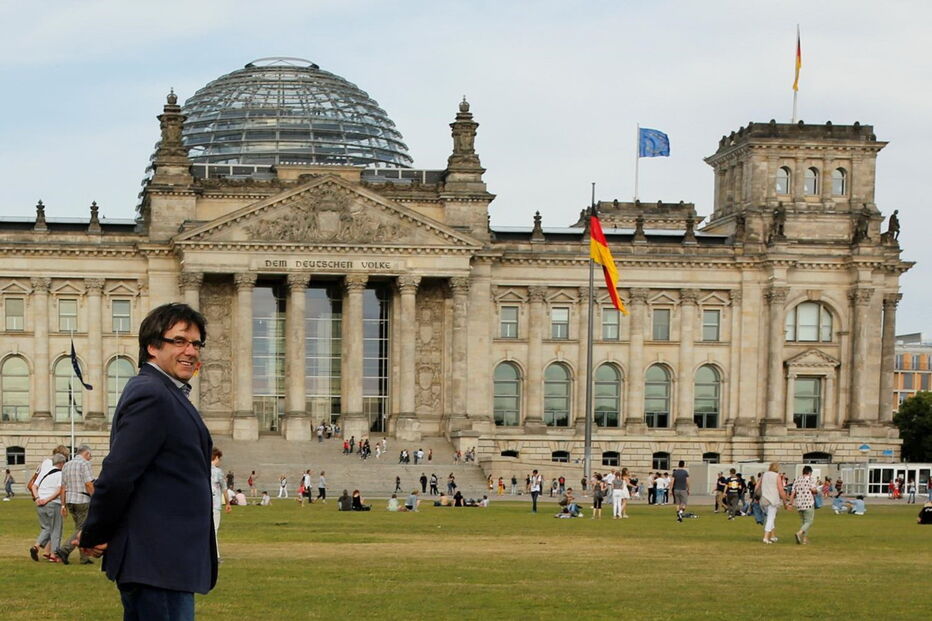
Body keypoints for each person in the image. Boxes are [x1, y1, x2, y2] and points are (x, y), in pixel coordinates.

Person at [79, 302, 217, 619]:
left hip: (165, 562)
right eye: (179, 341)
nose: (191, 351)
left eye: (196, 343)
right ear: (152, 346)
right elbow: (118, 475)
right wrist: (95, 533)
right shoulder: (152, 394)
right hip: (156, 562)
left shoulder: (168, 393)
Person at [55, 444, 96, 564]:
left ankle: (84, 558)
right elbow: (88, 484)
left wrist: (63, 505)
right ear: (86, 453)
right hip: (82, 499)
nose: (90, 458)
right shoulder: (85, 464)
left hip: (70, 500)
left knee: (80, 528)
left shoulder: (67, 465)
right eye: (90, 455)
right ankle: (64, 550)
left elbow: (63, 487)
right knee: (82, 529)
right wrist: (95, 498)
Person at [30, 452, 66, 563]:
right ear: (61, 463)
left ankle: (36, 546)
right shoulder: (61, 474)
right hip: (53, 503)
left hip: (40, 504)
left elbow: (33, 486)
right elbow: (59, 490)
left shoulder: (44, 472)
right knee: (56, 529)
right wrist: (48, 499)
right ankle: (54, 554)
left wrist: (37, 498)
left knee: (46, 528)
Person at [209, 448, 231, 561]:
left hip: (204, 505)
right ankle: (215, 556)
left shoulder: (201, 470)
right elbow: (224, 489)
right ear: (216, 457)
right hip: (215, 505)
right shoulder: (218, 472)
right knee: (214, 530)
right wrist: (227, 503)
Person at [759, 462, 789, 543]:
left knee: (770, 517)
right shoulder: (777, 476)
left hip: (764, 499)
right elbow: (781, 490)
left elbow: (757, 486)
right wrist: (785, 501)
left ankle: (772, 536)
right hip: (773, 500)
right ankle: (766, 537)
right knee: (771, 518)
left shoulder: (764, 474)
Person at [789, 465, 818, 545]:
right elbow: (813, 490)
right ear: (809, 472)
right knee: (809, 521)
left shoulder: (797, 480)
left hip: (799, 503)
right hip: (808, 503)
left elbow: (793, 493)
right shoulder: (811, 479)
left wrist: (790, 504)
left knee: (804, 522)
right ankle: (799, 533)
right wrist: (816, 491)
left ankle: (805, 539)